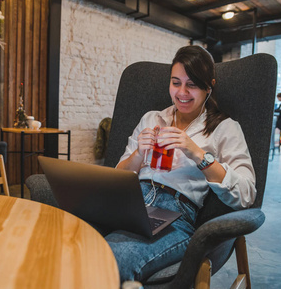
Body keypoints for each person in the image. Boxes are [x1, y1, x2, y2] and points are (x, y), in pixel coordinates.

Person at [105, 45, 256, 283]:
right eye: (176, 83)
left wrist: (197, 153)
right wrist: (138, 154)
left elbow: (246, 194)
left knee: (112, 260)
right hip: (131, 204)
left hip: (175, 212)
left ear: (209, 86)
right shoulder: (151, 118)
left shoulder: (225, 128)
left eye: (192, 84)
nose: (182, 92)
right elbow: (117, 178)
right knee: (73, 243)